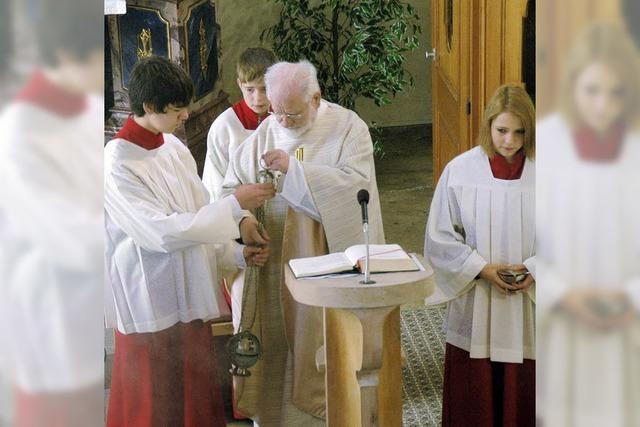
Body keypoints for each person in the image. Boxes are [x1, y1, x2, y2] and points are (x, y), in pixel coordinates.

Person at [104, 56, 275, 426]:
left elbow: (199, 212)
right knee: (155, 403)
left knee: (194, 396)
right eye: (178, 109)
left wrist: (238, 246)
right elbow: (161, 233)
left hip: (189, 295)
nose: (186, 116)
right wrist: (235, 204)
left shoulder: (172, 147)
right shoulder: (117, 161)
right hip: (152, 299)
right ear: (149, 107)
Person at [221, 60, 385, 425]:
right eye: (276, 113)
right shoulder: (265, 133)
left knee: (320, 351)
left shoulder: (347, 128)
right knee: (277, 356)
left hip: (325, 267)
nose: (283, 123)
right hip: (272, 263)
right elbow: (229, 191)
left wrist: (295, 172)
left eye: (292, 115)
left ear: (316, 98)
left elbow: (355, 190)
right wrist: (245, 220)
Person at [0, 0, 104, 425]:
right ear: (65, 56)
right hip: (48, 296)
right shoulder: (24, 124)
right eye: (99, 57)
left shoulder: (85, 108)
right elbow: (63, 232)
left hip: (85, 296)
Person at [536, 24, 640, 426]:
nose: (603, 106)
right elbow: (528, 244)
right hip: (566, 323)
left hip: (627, 325)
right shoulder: (548, 148)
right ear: (572, 85)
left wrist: (629, 296)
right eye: (592, 90)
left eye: (617, 93)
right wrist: (564, 294)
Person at [425, 84, 536, 426]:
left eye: (520, 132)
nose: (509, 141)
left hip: (527, 301)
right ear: (488, 125)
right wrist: (481, 269)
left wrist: (535, 269)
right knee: (476, 391)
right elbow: (440, 237)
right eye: (502, 130)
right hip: (477, 297)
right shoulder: (460, 172)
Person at [202, 47, 276, 201]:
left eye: (265, 89)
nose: (258, 99)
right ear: (240, 84)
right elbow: (215, 185)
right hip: (239, 216)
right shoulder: (224, 127)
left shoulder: (284, 120)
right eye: (250, 90)